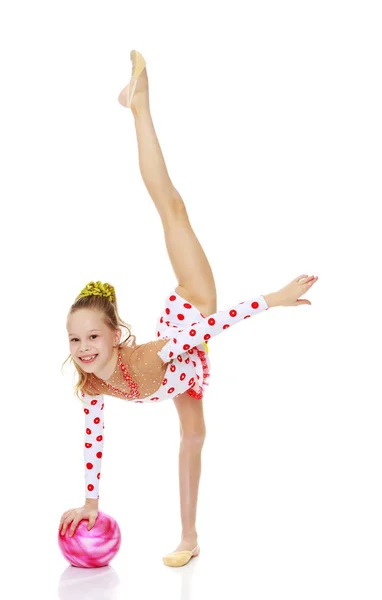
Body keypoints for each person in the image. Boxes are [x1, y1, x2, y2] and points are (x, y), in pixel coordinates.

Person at [58, 50, 318, 567]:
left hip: (193, 311)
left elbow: (212, 326)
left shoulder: (148, 358)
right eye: (75, 340)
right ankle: (189, 539)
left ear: (114, 335)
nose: (85, 349)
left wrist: (275, 298)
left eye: (93, 336)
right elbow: (93, 441)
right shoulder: (91, 386)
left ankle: (139, 105)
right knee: (194, 435)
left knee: (171, 207)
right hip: (185, 374)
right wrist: (90, 502)